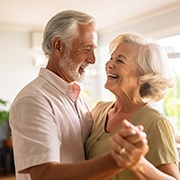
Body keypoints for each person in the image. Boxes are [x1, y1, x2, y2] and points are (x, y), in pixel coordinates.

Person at [9, 10, 148, 180]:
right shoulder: (33, 100)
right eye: (87, 49)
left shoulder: (76, 96)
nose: (93, 59)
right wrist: (119, 160)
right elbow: (43, 174)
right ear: (58, 46)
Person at [85, 32, 180, 180]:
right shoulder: (99, 110)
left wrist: (138, 163)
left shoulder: (156, 122)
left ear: (143, 75)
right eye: (111, 58)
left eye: (120, 61)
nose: (109, 64)